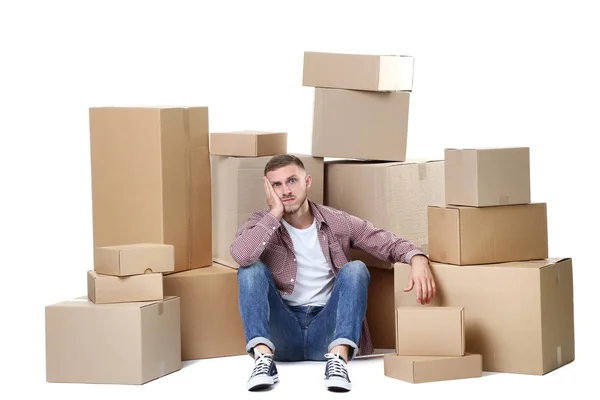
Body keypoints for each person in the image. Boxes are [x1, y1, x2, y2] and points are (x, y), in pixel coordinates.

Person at [230, 154, 436, 392]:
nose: (285, 190)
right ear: (268, 189)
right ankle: (263, 361)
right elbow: (242, 256)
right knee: (251, 269)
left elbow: (384, 241)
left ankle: (338, 360)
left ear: (307, 181)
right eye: (276, 184)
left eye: (292, 181)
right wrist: (275, 214)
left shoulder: (336, 222)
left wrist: (417, 257)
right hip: (281, 336)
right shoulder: (260, 224)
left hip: (326, 332)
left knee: (356, 269)